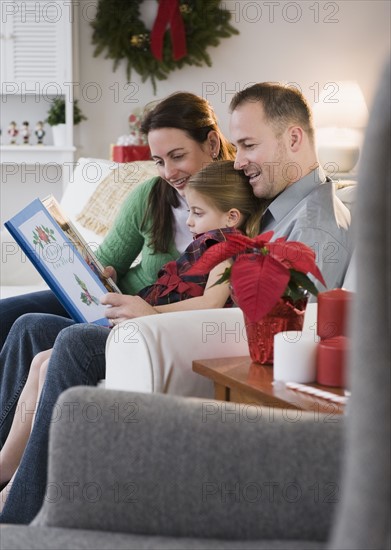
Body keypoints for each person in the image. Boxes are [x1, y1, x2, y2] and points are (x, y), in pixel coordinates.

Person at [0, 161, 265, 523]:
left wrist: (149, 315)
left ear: (232, 216)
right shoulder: (202, 245)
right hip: (132, 320)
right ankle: (7, 471)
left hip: (148, 333)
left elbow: (209, 303)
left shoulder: (232, 250)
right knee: (40, 359)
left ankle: (14, 490)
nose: (189, 222)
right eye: (189, 211)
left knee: (56, 356)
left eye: (198, 213)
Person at [0, 92, 235, 349]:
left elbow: (215, 300)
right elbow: (109, 262)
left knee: (30, 328)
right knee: (8, 316)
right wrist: (98, 271)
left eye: (178, 156)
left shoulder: (238, 204)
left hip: (149, 320)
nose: (168, 173)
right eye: (159, 161)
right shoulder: (149, 196)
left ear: (212, 143)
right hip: (111, 302)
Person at [228, 82, 353, 291]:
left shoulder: (313, 232)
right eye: (236, 148)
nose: (237, 163)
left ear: (293, 139)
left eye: (248, 145)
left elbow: (293, 322)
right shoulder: (273, 204)